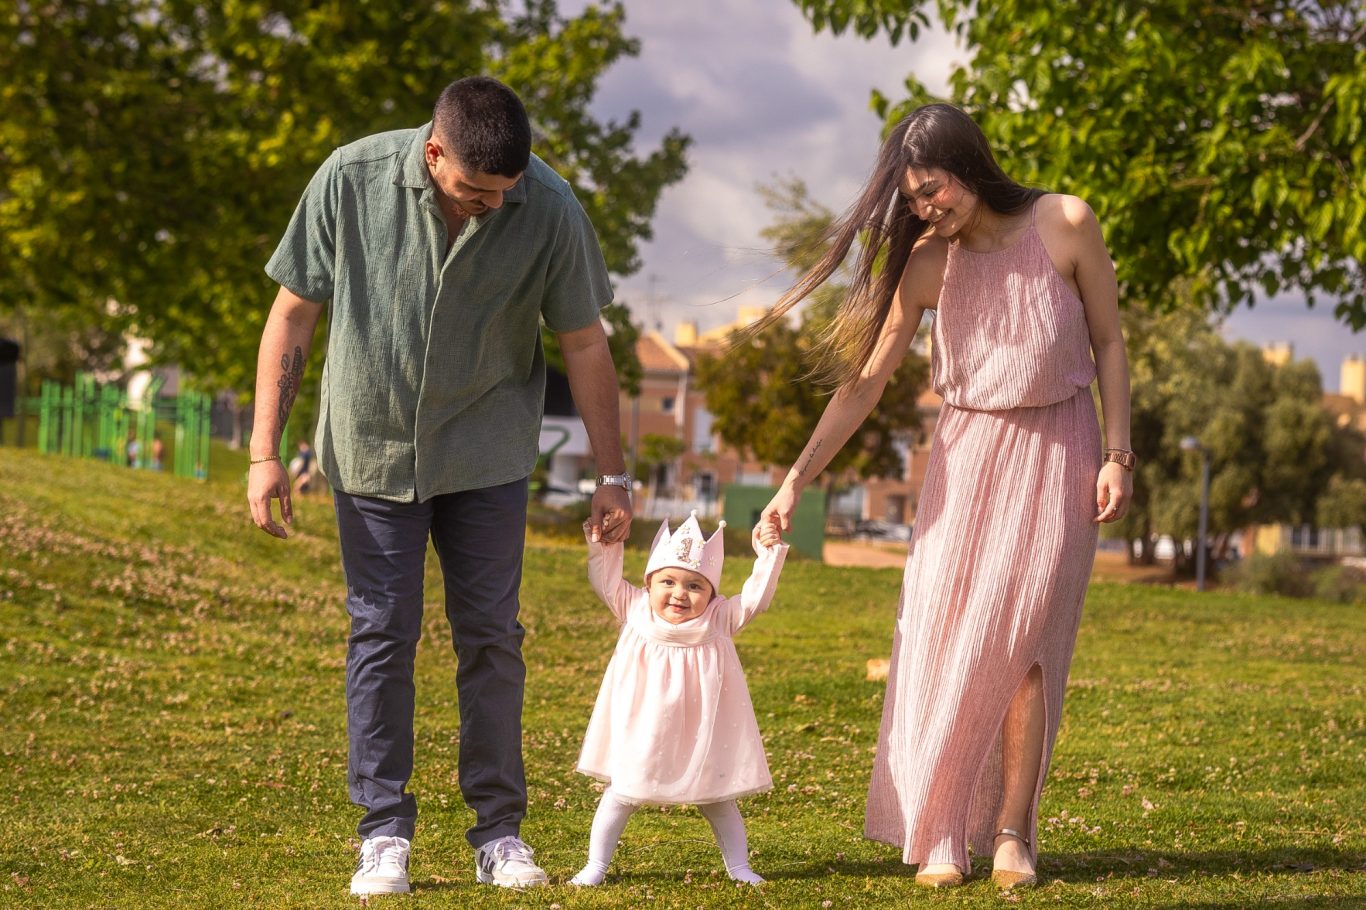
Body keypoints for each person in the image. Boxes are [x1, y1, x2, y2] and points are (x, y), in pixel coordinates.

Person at [245, 76, 634, 896]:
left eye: (505, 191)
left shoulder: (550, 208)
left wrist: (613, 474)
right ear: (434, 153)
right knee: (382, 633)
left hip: (487, 455)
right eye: (474, 190)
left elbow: (586, 344)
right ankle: (383, 832)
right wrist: (263, 452)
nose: (493, 204)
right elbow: (291, 316)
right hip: (371, 448)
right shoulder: (349, 180)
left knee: (491, 636)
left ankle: (499, 832)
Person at [758, 103, 1133, 891]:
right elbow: (863, 385)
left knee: (1027, 645)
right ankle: (942, 828)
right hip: (963, 464)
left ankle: (1012, 833)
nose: (930, 208)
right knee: (939, 630)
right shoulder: (929, 265)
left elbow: (1108, 340)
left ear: (969, 163)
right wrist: (795, 479)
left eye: (936, 190)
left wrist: (1117, 454)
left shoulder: (1065, 222)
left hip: (1057, 454)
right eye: (916, 199)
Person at [570, 512, 788, 886]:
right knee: (622, 792)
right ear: (649, 583)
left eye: (694, 586)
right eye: (667, 581)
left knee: (718, 798)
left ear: (712, 594)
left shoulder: (719, 619)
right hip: (643, 726)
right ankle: (596, 865)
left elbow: (755, 599)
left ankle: (739, 867)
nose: (679, 594)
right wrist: (605, 543)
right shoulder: (635, 609)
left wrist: (768, 553)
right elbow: (605, 581)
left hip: (704, 727)